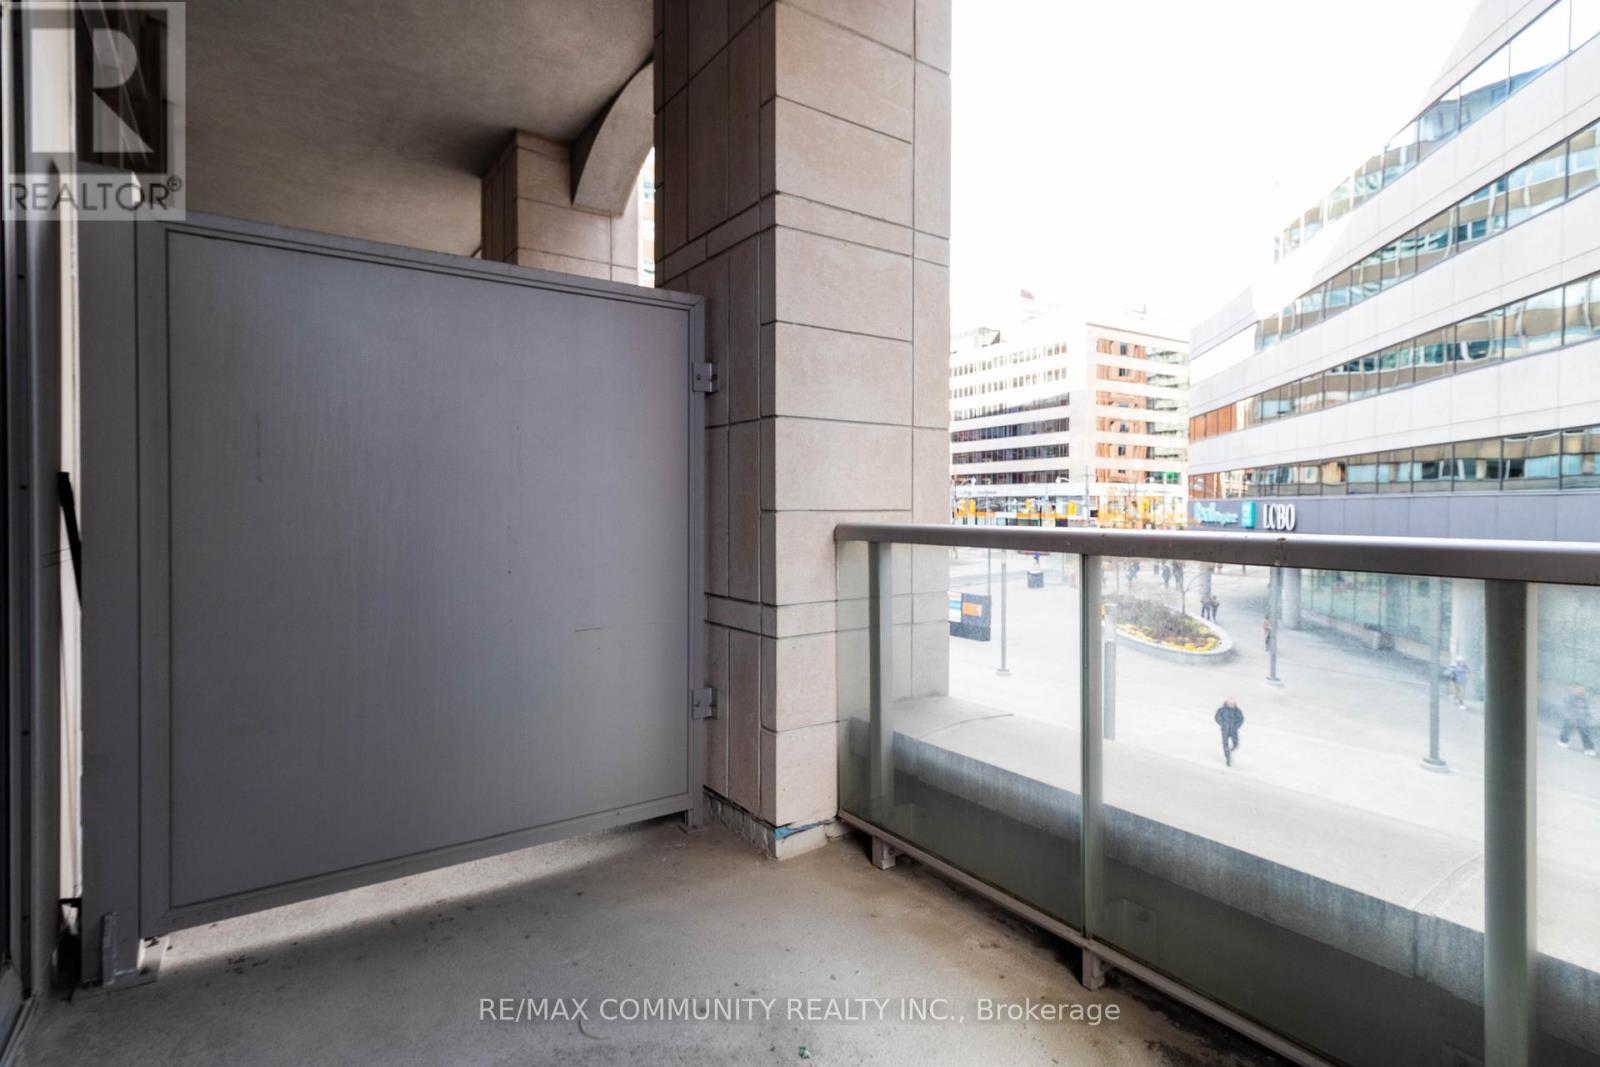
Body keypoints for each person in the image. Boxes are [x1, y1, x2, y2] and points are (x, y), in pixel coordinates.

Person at [1559, 684, 1596, 756]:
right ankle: (1563, 740)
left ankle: (1589, 748)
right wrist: (1572, 717)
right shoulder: (1571, 698)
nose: (1581, 691)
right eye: (1579, 689)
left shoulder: (1583, 699)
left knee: (1585, 733)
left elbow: (1586, 708)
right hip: (1571, 718)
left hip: (1581, 719)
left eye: (1583, 690)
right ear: (1575, 690)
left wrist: (1588, 715)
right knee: (1567, 728)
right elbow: (1568, 708)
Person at [1214, 699, 1244, 766]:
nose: (1231, 705)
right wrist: (1222, 723)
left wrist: (1236, 726)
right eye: (1230, 704)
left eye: (1233, 704)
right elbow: (1217, 717)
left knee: (1235, 743)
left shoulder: (1237, 711)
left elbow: (1241, 719)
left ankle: (1231, 749)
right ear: (1227, 703)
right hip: (1225, 730)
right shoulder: (1222, 710)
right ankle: (1228, 758)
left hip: (1233, 730)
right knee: (1225, 744)